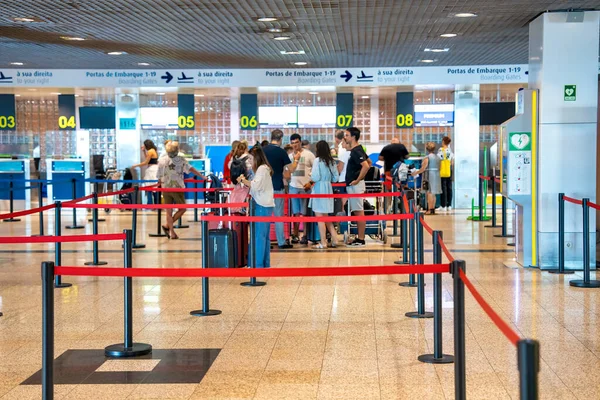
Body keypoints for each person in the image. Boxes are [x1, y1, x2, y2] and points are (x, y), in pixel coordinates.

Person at [157, 141, 206, 239]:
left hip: (165, 187)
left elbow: (158, 175)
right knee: (182, 208)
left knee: (168, 211)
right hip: (177, 188)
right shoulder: (180, 160)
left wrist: (160, 183)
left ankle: (171, 231)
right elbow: (191, 169)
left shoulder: (162, 160)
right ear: (177, 150)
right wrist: (201, 176)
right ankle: (167, 226)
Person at [238, 145, 275, 268]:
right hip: (263, 204)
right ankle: (263, 264)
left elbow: (256, 186)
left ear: (257, 158)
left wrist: (243, 180)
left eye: (250, 158)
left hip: (261, 205)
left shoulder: (262, 169)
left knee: (259, 236)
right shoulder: (263, 169)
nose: (249, 161)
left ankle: (257, 265)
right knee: (263, 236)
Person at [263, 129, 298, 249]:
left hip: (264, 188)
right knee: (278, 216)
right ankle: (281, 242)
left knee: (265, 217)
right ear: (281, 139)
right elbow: (291, 169)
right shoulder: (282, 152)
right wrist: (296, 159)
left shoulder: (263, 151)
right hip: (277, 186)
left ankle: (265, 242)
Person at [307, 140, 340, 249]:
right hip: (328, 188)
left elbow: (315, 177)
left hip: (319, 189)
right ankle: (335, 239)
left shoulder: (317, 161)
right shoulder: (331, 161)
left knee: (320, 217)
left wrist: (311, 174)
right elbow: (336, 178)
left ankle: (323, 242)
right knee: (326, 217)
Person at [344, 127, 370, 247]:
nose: (345, 137)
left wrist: (358, 179)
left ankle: (361, 239)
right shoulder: (357, 149)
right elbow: (369, 162)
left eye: (347, 135)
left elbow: (366, 166)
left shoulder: (356, 151)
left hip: (356, 186)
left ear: (353, 137)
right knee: (357, 211)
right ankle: (360, 238)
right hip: (355, 185)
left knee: (359, 212)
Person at [288, 133, 315, 244]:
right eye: (293, 143)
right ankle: (295, 235)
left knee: (305, 213)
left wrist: (311, 182)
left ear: (300, 142)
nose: (295, 145)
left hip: (305, 187)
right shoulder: (289, 157)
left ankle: (305, 235)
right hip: (293, 186)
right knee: (295, 213)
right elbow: (287, 170)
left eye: (297, 142)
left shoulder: (309, 155)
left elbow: (315, 169)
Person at [412, 142, 441, 215]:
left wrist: (416, 172)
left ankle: (429, 209)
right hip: (437, 175)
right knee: (433, 193)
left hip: (429, 175)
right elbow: (440, 167)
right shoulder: (438, 157)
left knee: (429, 193)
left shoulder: (427, 158)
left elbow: (423, 168)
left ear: (427, 149)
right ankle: (433, 209)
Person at [228, 141, 254, 213]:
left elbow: (229, 167)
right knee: (248, 208)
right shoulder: (248, 158)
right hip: (247, 185)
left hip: (235, 184)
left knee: (237, 206)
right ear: (246, 148)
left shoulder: (233, 158)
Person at [132, 139, 159, 204]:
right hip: (153, 169)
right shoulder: (153, 150)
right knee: (154, 187)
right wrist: (144, 151)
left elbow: (146, 162)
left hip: (152, 170)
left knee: (149, 187)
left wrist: (136, 165)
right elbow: (148, 159)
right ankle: (155, 204)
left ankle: (150, 203)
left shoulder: (150, 151)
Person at [438, 136, 454, 211]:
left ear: (443, 142)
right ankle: (449, 205)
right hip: (449, 170)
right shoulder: (450, 151)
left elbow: (439, 160)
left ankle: (443, 205)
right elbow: (452, 162)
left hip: (442, 170)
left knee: (443, 188)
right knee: (449, 188)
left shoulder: (440, 150)